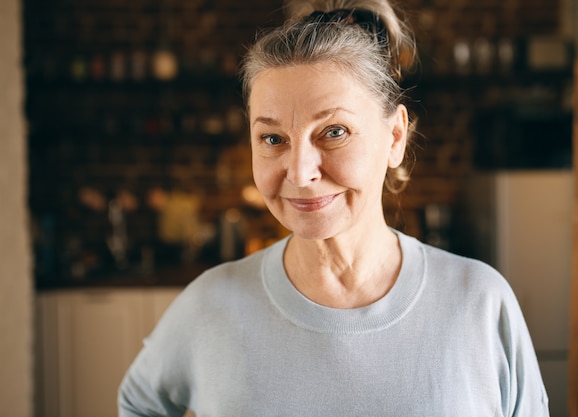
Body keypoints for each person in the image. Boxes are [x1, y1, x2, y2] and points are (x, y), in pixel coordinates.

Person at [118, 0, 550, 415]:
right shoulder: (212, 306)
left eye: (334, 131)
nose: (300, 172)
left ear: (394, 138)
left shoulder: (478, 302)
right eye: (273, 139)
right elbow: (138, 403)